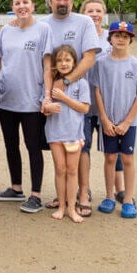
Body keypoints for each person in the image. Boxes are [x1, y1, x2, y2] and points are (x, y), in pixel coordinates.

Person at [42, 0, 100, 216]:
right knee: (59, 159)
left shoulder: (84, 22)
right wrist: (48, 94)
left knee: (80, 148)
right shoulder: (43, 23)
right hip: (52, 96)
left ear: (72, 1)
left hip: (73, 93)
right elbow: (45, 61)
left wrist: (65, 83)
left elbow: (88, 58)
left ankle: (83, 195)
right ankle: (63, 197)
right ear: (50, 1)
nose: (62, 2)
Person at [0, 0, 53, 213]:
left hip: (31, 101)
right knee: (11, 145)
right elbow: (2, 62)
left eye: (25, 2)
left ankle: (35, 194)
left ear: (33, 5)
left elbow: (48, 65)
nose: (21, 6)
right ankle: (15, 187)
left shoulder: (43, 30)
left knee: (33, 146)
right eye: (17, 3)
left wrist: (46, 95)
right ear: (13, 6)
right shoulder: (6, 30)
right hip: (7, 100)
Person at [94, 21, 137, 219]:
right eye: (117, 35)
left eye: (125, 36)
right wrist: (104, 120)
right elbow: (97, 91)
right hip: (108, 120)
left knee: (128, 159)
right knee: (109, 158)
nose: (121, 39)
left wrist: (127, 121)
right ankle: (109, 196)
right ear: (110, 39)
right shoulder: (101, 63)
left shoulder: (136, 64)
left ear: (130, 39)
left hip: (128, 122)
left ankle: (128, 199)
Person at [80, 0, 124, 202]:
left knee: (114, 150)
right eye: (90, 10)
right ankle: (84, 189)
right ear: (83, 13)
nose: (94, 14)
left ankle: (120, 189)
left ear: (104, 14)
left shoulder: (111, 37)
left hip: (109, 106)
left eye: (98, 10)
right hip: (86, 104)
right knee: (84, 147)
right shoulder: (80, 37)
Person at [43, 45, 90, 223]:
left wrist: (64, 98)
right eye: (60, 60)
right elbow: (44, 106)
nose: (64, 63)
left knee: (72, 170)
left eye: (67, 60)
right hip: (55, 133)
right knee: (60, 169)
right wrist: (48, 107)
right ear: (55, 63)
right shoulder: (51, 83)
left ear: (74, 63)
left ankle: (72, 207)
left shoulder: (82, 83)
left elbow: (84, 108)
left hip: (74, 133)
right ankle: (61, 206)